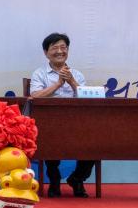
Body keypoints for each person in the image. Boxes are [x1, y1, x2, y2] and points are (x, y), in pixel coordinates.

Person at [29, 32, 95, 198]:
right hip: (49, 125)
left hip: (77, 125)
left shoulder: (77, 75)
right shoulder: (39, 74)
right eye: (55, 48)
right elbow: (34, 96)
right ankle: (54, 179)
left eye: (63, 47)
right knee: (51, 137)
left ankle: (77, 179)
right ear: (46, 53)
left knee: (94, 141)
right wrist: (58, 84)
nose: (60, 51)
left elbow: (87, 100)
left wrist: (71, 81)